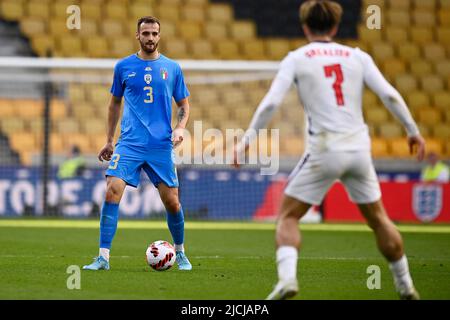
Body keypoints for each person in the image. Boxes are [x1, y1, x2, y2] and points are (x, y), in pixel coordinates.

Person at [233, 0, 425, 300]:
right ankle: (406, 286)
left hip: (324, 148)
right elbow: (389, 94)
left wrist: (246, 141)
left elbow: (271, 102)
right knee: (379, 219)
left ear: (304, 26)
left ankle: (287, 280)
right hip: (359, 150)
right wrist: (413, 131)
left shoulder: (297, 58)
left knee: (287, 217)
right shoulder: (357, 56)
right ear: (335, 27)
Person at [83, 16, 192, 271]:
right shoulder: (123, 67)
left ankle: (181, 253)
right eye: (146, 33)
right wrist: (109, 140)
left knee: (172, 202)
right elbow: (114, 104)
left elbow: (184, 105)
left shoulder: (173, 68)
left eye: (155, 33)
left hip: (160, 146)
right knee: (112, 190)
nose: (150, 38)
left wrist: (180, 128)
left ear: (159, 36)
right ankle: (103, 257)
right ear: (137, 36)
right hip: (129, 143)